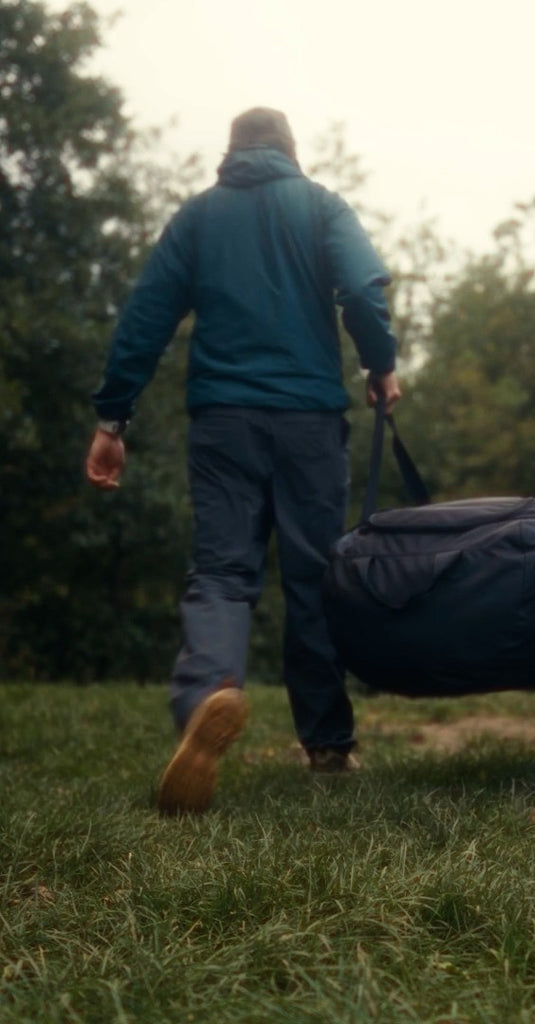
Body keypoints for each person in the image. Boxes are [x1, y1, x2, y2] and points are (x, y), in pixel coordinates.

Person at [86, 107, 401, 815]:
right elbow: (361, 288)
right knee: (317, 574)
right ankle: (326, 743)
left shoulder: (198, 218)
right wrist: (380, 365)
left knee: (223, 571)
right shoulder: (321, 206)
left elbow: (144, 317)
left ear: (231, 155)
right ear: (292, 151)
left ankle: (207, 694)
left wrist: (113, 417)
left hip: (222, 422)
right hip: (309, 421)